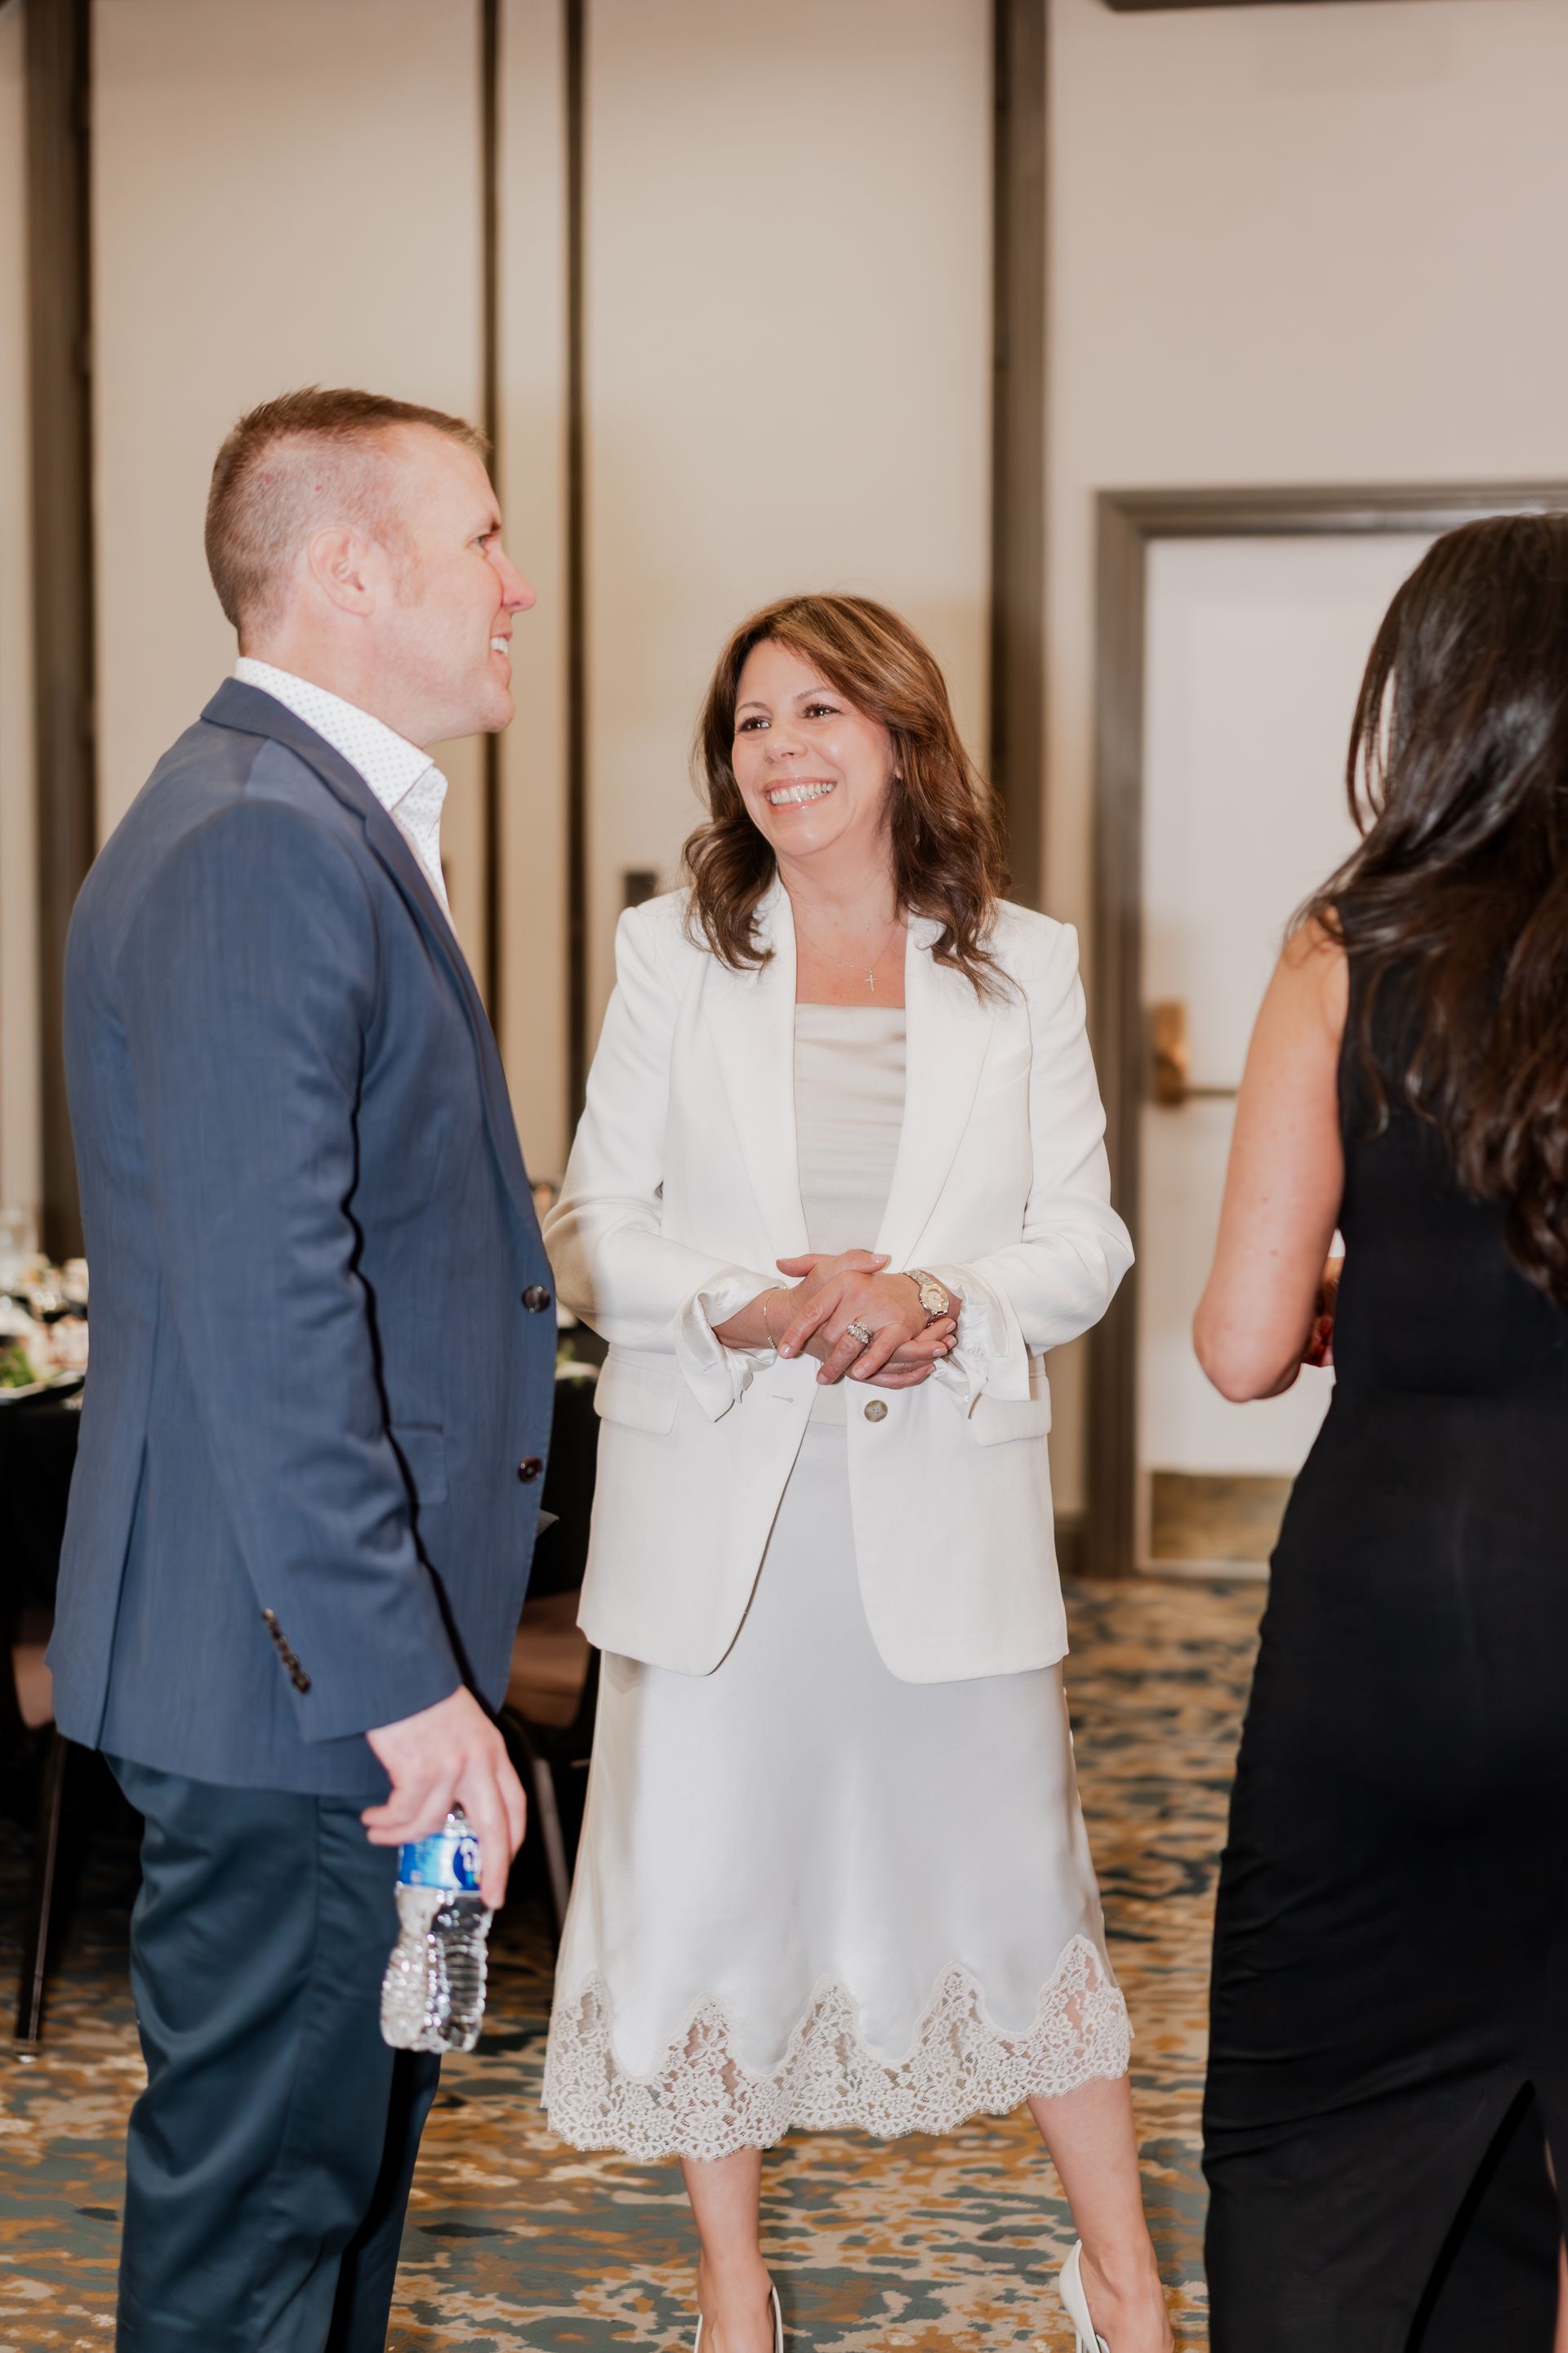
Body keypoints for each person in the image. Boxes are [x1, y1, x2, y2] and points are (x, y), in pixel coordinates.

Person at [541, 595, 1170, 2353]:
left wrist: (940, 1295)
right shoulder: (672, 953)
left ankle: (1121, 2275)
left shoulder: (1018, 963)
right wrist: (741, 1303)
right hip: (724, 1502)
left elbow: (1086, 1238)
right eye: (750, 721)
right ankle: (731, 2284)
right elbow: (601, 1227)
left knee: (1022, 1891)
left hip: (937, 1501)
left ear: (902, 736)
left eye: (820, 711)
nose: (781, 749)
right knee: (708, 1891)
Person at [48, 386, 555, 2352]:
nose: (519, 583)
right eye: (485, 538)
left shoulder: (319, 819)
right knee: (266, 2207)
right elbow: (274, 1326)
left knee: (349, 2171)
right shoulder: (258, 840)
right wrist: (413, 1701)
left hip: (368, 1701)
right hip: (311, 1712)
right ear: (350, 568)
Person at [1195, 514, 1568, 2350]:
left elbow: (1246, 1346)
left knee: (1323, 2127)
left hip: (1398, 1617)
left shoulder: (1350, 945)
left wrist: (1383, 1285)